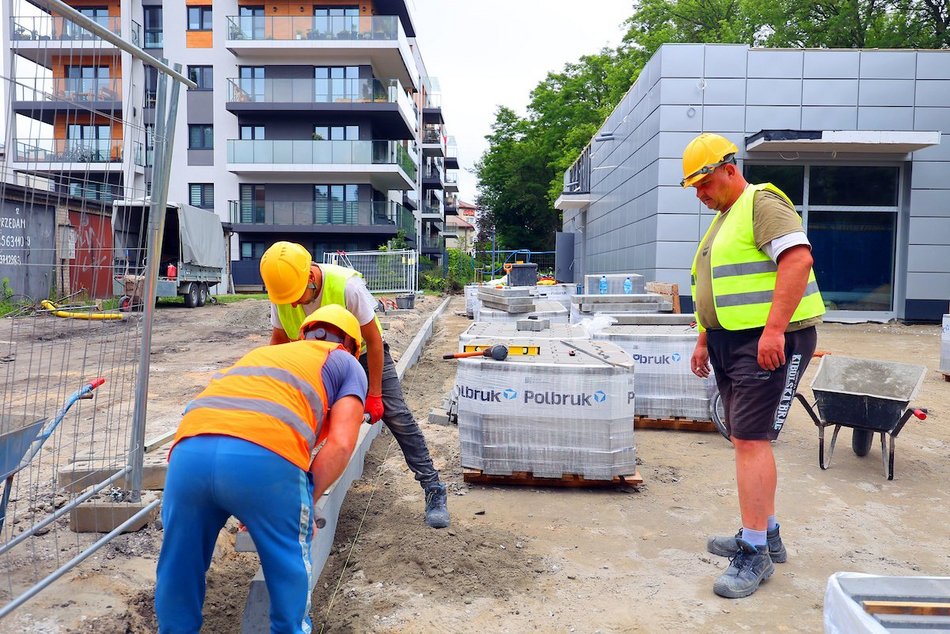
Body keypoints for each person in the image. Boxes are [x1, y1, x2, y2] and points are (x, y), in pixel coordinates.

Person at [155, 305, 369, 633]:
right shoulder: (346, 362)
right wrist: (306, 502)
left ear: (304, 333)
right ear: (352, 345)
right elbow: (340, 445)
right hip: (265, 457)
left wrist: (246, 503)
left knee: (178, 570)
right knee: (288, 573)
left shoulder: (267, 354)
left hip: (189, 452)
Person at [683, 133, 825, 599]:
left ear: (728, 168)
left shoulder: (760, 202)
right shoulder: (724, 219)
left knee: (750, 439)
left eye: (703, 183)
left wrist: (774, 331)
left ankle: (756, 551)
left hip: (765, 342)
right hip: (732, 341)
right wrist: (705, 338)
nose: (700, 194)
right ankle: (766, 531)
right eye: (694, 188)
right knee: (745, 438)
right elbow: (718, 286)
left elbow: (798, 259)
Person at [258, 241, 450, 529]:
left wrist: (374, 394)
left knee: (397, 415)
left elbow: (372, 341)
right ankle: (288, 495)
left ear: (310, 277)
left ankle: (433, 488)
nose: (295, 305)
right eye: (288, 300)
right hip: (313, 360)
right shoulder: (283, 292)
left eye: (298, 297)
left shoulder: (346, 286)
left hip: (360, 355)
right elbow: (279, 340)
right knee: (301, 421)